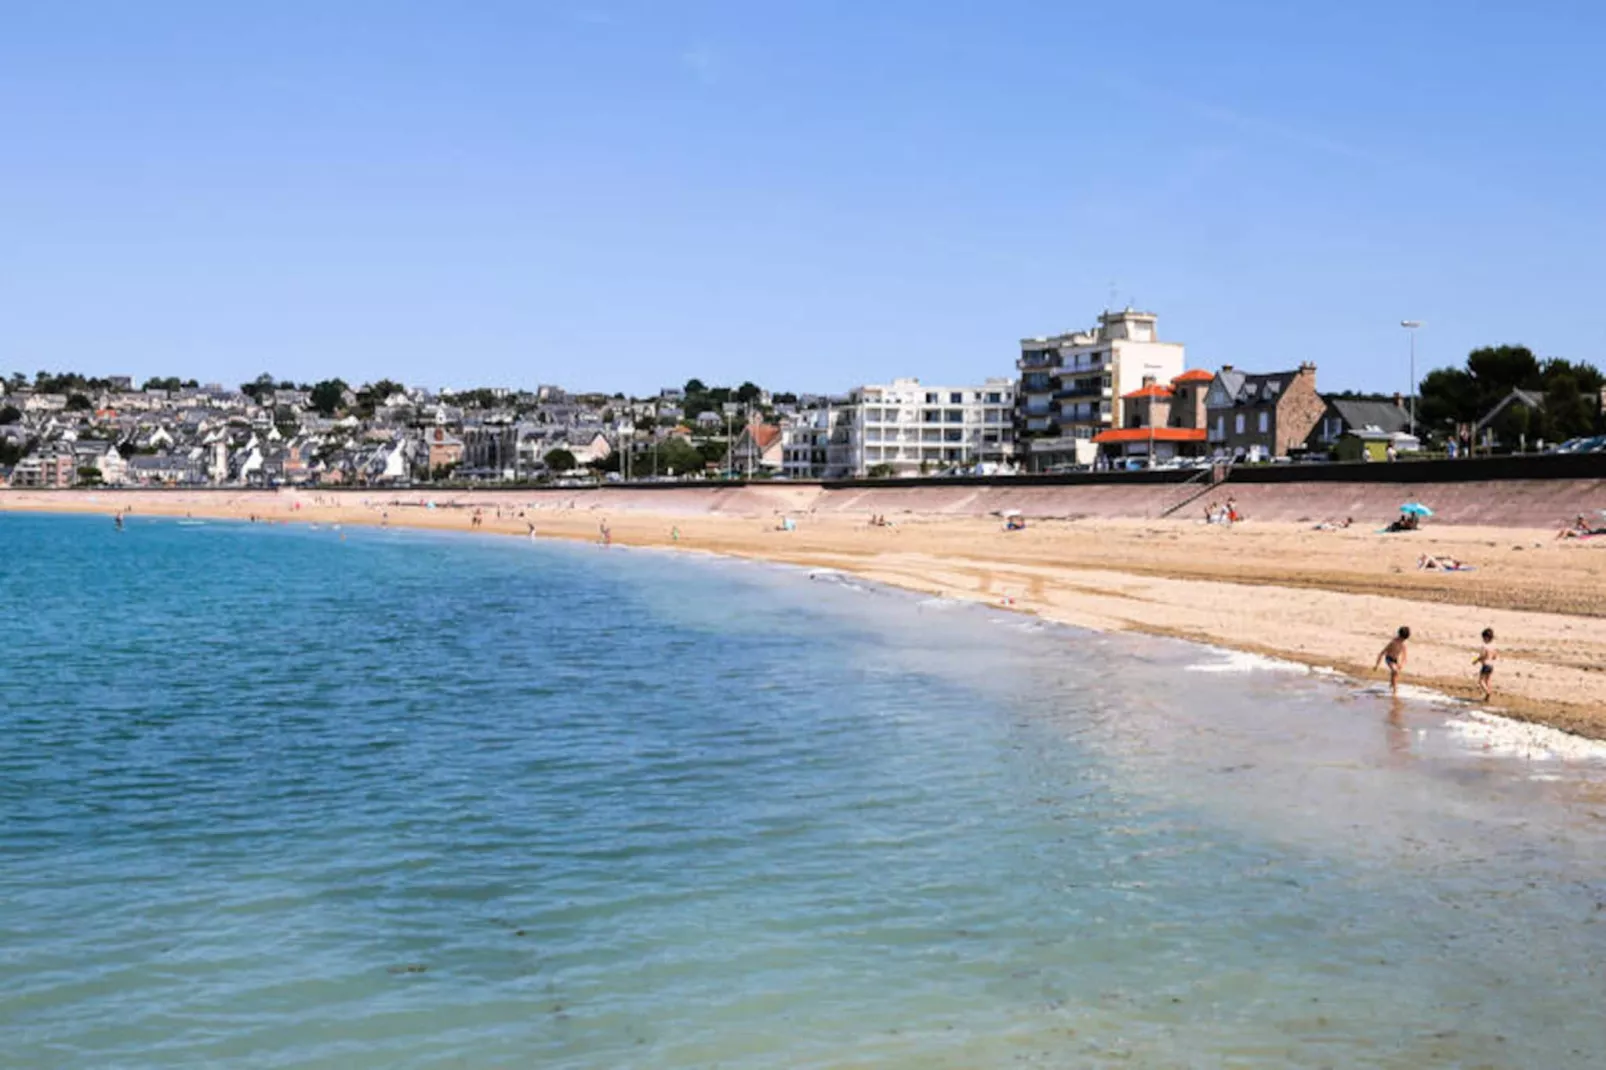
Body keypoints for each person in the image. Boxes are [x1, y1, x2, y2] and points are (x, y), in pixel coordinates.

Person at [1375, 626, 1410, 693]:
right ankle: (1395, 690)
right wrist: (1377, 665)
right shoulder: (1393, 642)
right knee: (1395, 671)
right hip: (1389, 659)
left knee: (1395, 674)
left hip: (1396, 660)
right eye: (1401, 639)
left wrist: (1401, 663)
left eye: (1403, 640)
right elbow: (1382, 653)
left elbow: (1404, 656)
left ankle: (1391, 685)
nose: (1402, 641)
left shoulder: (1402, 644)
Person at [1473, 627, 1496, 700]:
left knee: (1481, 681)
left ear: (1486, 638)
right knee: (1488, 680)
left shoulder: (1484, 646)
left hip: (1485, 665)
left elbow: (1483, 656)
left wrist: (1476, 660)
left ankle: (1487, 692)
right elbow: (1495, 656)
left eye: (1483, 638)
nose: (1482, 639)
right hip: (1491, 665)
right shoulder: (1493, 646)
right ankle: (1488, 695)